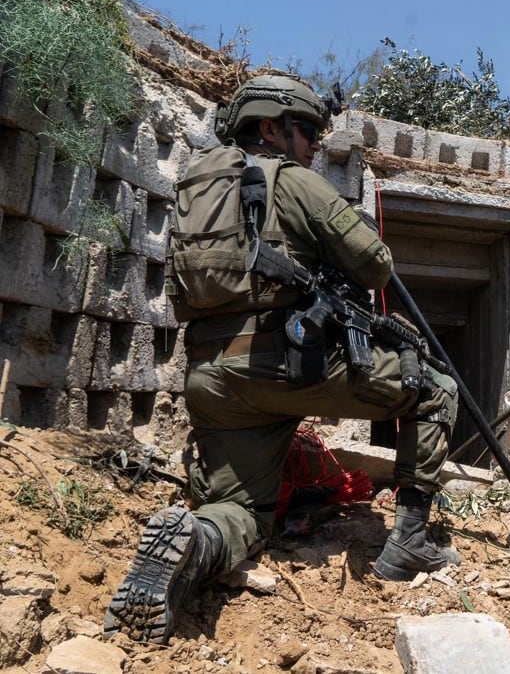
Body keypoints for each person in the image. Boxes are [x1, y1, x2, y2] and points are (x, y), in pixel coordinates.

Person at [105, 75, 460, 644]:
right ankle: (410, 543)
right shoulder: (292, 179)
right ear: (270, 129)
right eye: (308, 131)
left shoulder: (197, 187)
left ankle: (197, 542)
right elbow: (374, 263)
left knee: (243, 511)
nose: (316, 143)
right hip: (288, 363)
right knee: (436, 387)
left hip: (212, 377)